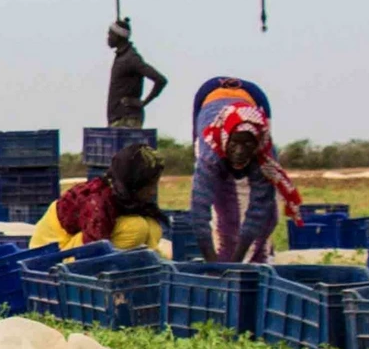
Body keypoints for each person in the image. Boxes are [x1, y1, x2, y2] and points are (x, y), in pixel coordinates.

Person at [186, 78, 301, 263]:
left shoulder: (263, 154)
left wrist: (238, 261)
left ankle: (261, 255)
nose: (240, 152)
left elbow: (258, 210)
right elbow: (199, 211)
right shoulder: (209, 152)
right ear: (225, 140)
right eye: (235, 144)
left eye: (247, 144)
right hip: (207, 99)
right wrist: (212, 261)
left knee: (268, 211)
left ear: (257, 144)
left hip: (255, 97)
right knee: (224, 207)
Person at [30, 143, 168, 252]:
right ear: (134, 183)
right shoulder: (97, 202)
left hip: (74, 248)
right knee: (135, 228)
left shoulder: (120, 194)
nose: (152, 192)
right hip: (51, 257)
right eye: (148, 186)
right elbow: (91, 253)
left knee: (151, 224)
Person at [104, 18, 166, 128]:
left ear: (118, 37)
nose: (108, 38)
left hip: (127, 120)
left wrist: (143, 102)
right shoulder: (121, 56)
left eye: (110, 34)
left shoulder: (131, 59)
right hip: (118, 119)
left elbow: (160, 80)